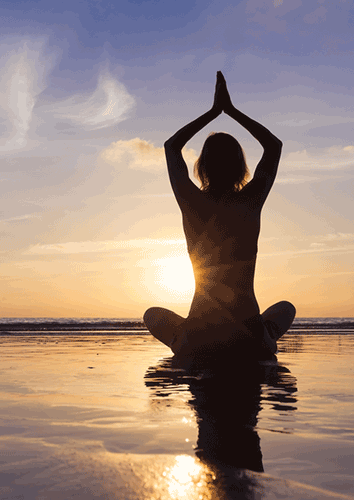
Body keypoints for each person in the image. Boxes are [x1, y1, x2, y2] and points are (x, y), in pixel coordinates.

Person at [143, 71, 295, 366]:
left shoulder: (192, 201)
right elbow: (273, 146)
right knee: (285, 308)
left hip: (199, 338)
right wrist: (232, 111)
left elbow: (171, 146)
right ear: (241, 168)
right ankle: (265, 339)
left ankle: (182, 342)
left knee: (153, 314)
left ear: (202, 167)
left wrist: (213, 112)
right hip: (249, 337)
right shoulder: (250, 201)